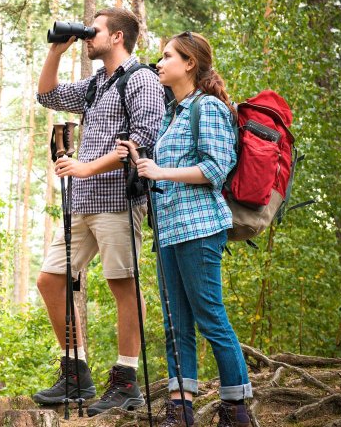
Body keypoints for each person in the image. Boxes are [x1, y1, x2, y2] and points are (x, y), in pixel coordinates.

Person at [33, 7, 165, 416]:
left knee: (121, 285)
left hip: (119, 203)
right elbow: (47, 95)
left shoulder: (142, 79)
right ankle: (75, 372)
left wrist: (86, 167)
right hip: (83, 204)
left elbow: (143, 138)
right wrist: (57, 50)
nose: (89, 36)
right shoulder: (95, 84)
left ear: (118, 37)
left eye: (96, 30)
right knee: (49, 280)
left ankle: (126, 380)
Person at [117, 31, 252, 427]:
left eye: (167, 56)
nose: (159, 63)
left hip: (200, 228)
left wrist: (161, 170)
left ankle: (236, 408)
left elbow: (215, 168)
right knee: (175, 321)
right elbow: (165, 174)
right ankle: (181, 408)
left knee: (210, 315)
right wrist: (141, 160)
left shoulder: (207, 107)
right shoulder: (172, 113)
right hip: (170, 232)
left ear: (189, 63)